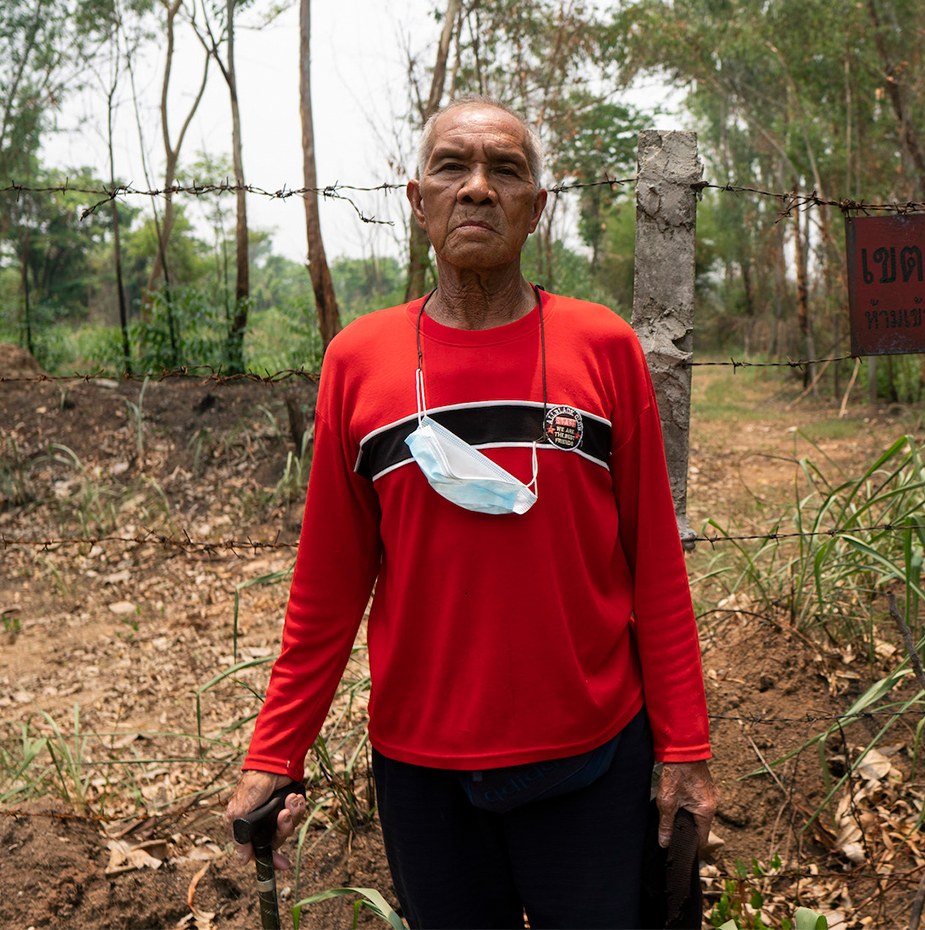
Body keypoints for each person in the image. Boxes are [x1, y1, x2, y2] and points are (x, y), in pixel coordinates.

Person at [224, 96, 715, 929]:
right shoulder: (360, 362)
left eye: (506, 170)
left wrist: (686, 749)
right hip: (424, 775)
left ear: (536, 209)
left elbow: (656, 569)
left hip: (594, 757)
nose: (478, 188)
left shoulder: (602, 348)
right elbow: (328, 586)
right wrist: (278, 750)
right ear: (418, 201)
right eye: (453, 167)